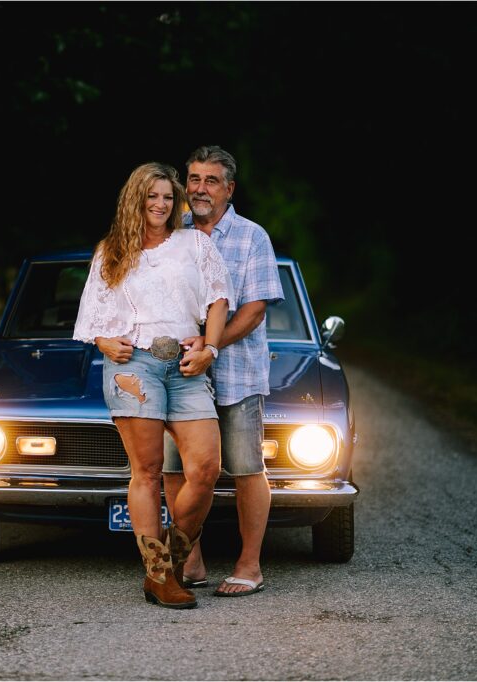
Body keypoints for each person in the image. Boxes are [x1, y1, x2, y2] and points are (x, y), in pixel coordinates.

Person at [73, 162, 233, 609]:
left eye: (168, 197)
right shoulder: (112, 251)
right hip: (134, 367)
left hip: (185, 364)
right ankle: (161, 575)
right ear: (136, 200)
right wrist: (106, 342)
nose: (161, 205)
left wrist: (211, 348)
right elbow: (91, 319)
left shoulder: (194, 244)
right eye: (152, 196)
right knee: (146, 471)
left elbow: (218, 300)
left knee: (206, 469)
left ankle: (168, 560)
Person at [164, 145, 284, 597]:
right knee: (177, 469)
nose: (199, 189)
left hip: (236, 374)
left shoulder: (252, 237)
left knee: (248, 468)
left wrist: (212, 345)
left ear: (229, 188)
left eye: (210, 180)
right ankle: (190, 560)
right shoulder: (173, 234)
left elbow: (253, 311)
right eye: (193, 179)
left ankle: (249, 565)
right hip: (179, 373)